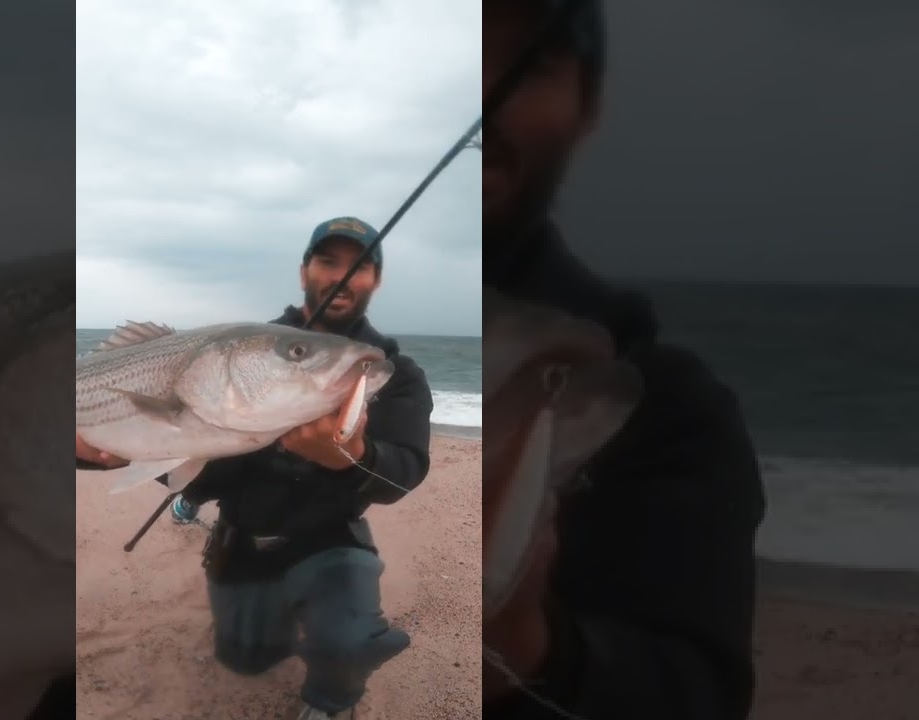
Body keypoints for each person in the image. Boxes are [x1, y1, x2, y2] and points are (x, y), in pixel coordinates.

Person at [482, 1, 767, 718]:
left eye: (528, 62)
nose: (476, 96)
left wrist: (527, 652)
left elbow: (696, 696)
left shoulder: (664, 411)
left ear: (588, 104)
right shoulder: (317, 327)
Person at [77, 217, 435, 720]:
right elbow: (194, 472)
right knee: (246, 659)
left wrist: (349, 457)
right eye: (327, 260)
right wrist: (95, 453)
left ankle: (331, 702)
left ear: (375, 280)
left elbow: (405, 472)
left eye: (359, 265)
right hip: (245, 533)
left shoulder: (394, 373)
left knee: (349, 644)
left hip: (330, 539)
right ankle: (244, 584)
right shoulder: (240, 344)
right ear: (304, 270)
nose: (341, 275)